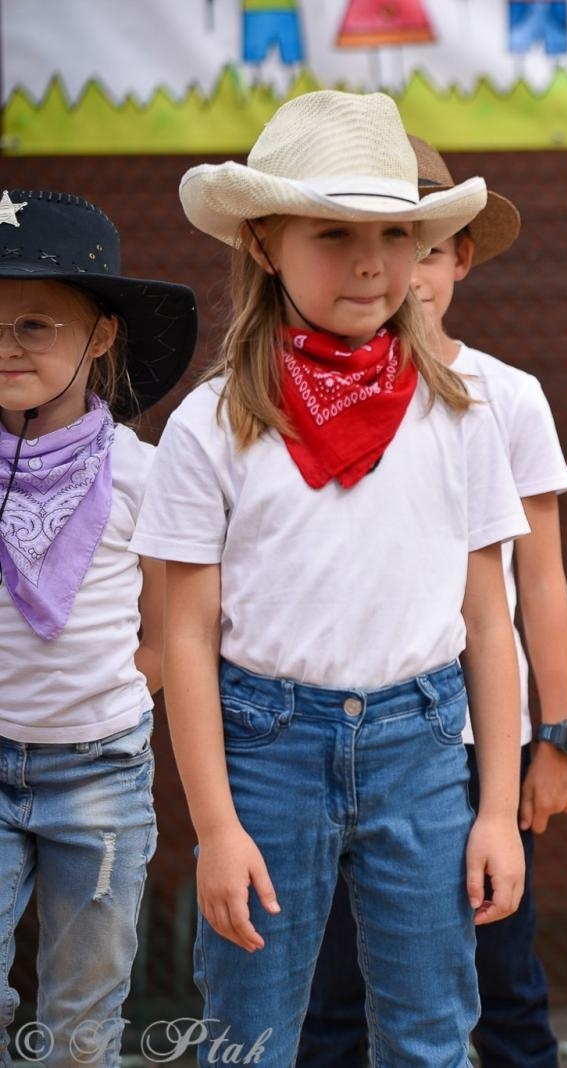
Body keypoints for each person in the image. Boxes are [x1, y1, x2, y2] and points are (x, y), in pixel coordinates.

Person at [130, 91, 529, 1067]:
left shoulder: (463, 416)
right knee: (252, 1030)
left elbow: (488, 612)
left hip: (425, 747)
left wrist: (496, 808)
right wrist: (214, 828)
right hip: (266, 749)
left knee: (433, 1033)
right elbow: (184, 636)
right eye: (334, 233)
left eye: (398, 233)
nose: (371, 262)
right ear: (264, 243)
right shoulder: (210, 426)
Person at [299, 136, 567, 1068]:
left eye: (424, 244)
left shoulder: (506, 396)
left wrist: (557, 740)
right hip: (332, 734)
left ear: (461, 256)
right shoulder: (290, 390)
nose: (402, 270)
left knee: (499, 976)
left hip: (472, 747)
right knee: (331, 989)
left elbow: (537, 579)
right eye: (372, 239)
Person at [0, 190, 196, 1066]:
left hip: (102, 772)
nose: (8, 347)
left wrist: (101, 699)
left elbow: (168, 633)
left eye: (36, 325)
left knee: (83, 1017)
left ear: (102, 334)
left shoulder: (142, 477)